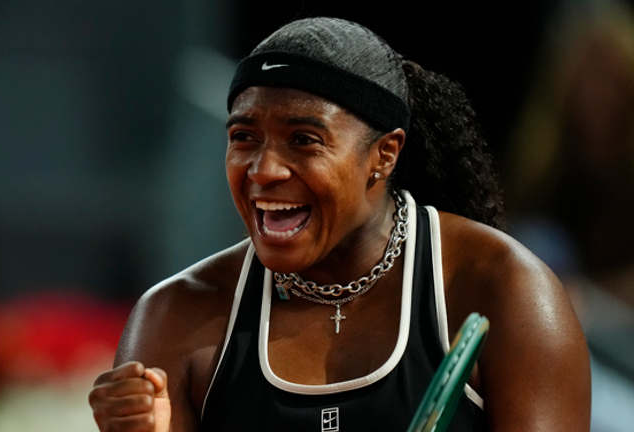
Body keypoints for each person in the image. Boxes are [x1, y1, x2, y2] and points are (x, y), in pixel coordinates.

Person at [89, 17, 590, 432]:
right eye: (244, 137)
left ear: (384, 155)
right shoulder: (172, 317)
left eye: (304, 140)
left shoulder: (505, 290)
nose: (263, 169)